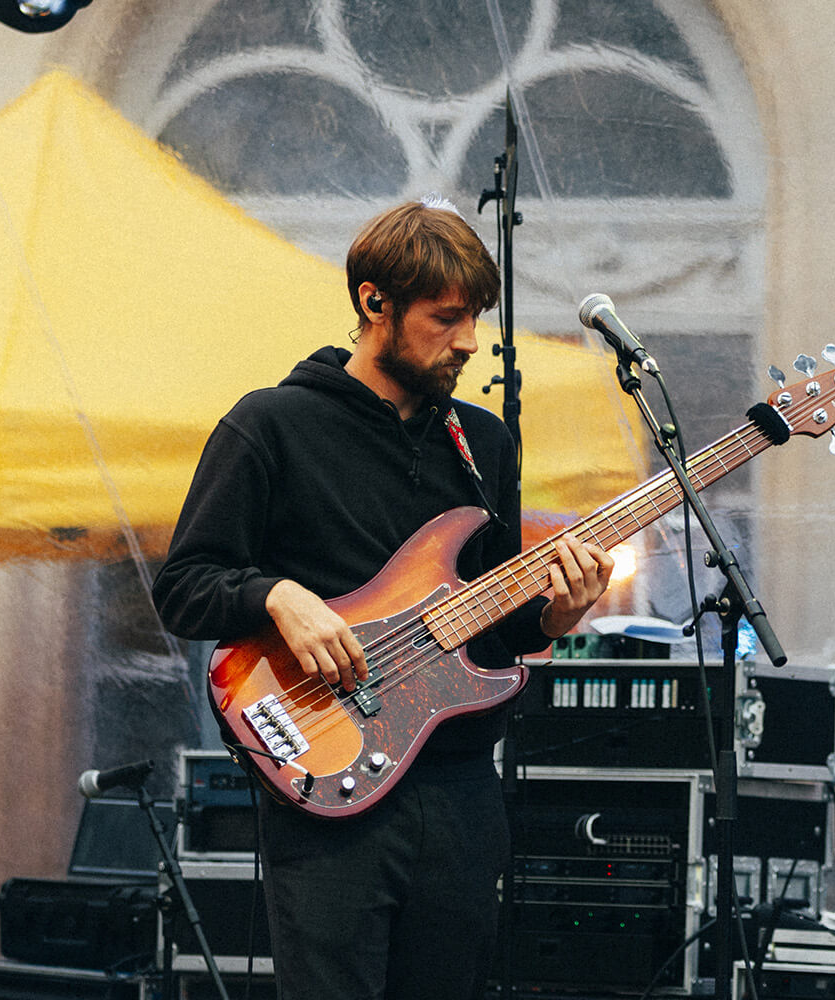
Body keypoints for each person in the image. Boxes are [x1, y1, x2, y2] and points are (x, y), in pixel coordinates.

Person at [151, 197, 613, 1000]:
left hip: (462, 792)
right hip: (332, 792)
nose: (469, 340)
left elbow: (492, 637)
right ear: (374, 303)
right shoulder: (271, 426)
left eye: (475, 318)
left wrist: (550, 620)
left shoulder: (483, 442)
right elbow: (184, 588)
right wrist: (277, 597)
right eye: (446, 318)